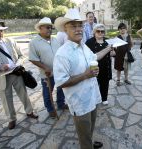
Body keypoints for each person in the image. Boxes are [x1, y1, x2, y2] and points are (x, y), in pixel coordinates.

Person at [53, 9, 112, 149]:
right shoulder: (62, 54)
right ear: (65, 29)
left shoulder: (83, 46)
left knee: (89, 128)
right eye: (73, 26)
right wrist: (85, 75)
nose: (78, 29)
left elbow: (94, 57)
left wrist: (108, 49)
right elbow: (61, 82)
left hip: (92, 96)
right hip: (80, 102)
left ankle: (89, 142)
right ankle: (87, 145)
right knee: (83, 134)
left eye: (80, 25)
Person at [0, 18, 38, 130]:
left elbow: (21, 55)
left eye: (0, 30)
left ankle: (29, 111)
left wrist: (17, 64)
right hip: (0, 77)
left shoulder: (10, 41)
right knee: (6, 99)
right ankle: (11, 119)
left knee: (23, 94)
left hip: (17, 73)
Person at [29, 17, 67, 118]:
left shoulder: (55, 40)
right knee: (47, 92)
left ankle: (61, 103)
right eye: (47, 27)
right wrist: (45, 67)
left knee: (61, 89)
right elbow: (33, 58)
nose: (50, 29)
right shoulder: (34, 42)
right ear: (40, 28)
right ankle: (50, 109)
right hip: (47, 74)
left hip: (59, 71)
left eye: (51, 28)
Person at [86, 24, 115, 105]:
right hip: (95, 67)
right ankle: (94, 99)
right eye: (98, 31)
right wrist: (108, 49)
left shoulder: (108, 41)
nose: (100, 33)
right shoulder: (89, 42)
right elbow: (89, 56)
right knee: (94, 84)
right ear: (94, 32)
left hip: (106, 66)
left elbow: (112, 54)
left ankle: (104, 98)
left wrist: (113, 51)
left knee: (105, 83)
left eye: (102, 31)